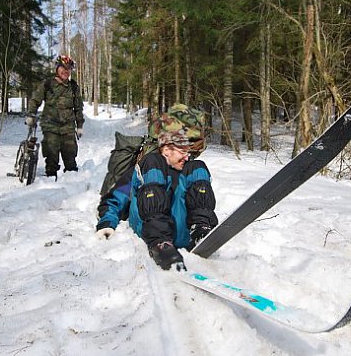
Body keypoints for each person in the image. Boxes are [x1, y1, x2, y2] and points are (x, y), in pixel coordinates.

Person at [95, 109, 218, 270]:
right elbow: (114, 199)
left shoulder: (189, 167)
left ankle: (201, 229)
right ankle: (159, 241)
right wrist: (107, 222)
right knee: (154, 163)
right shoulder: (146, 164)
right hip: (149, 227)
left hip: (180, 228)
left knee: (198, 167)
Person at [26, 55, 85, 179]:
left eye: (68, 68)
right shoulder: (47, 84)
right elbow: (35, 100)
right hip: (50, 126)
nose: (66, 71)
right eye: (63, 68)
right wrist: (31, 114)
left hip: (68, 127)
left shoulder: (73, 88)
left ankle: (72, 189)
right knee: (52, 158)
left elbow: (78, 108)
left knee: (70, 160)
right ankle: (50, 186)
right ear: (57, 69)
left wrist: (79, 125)